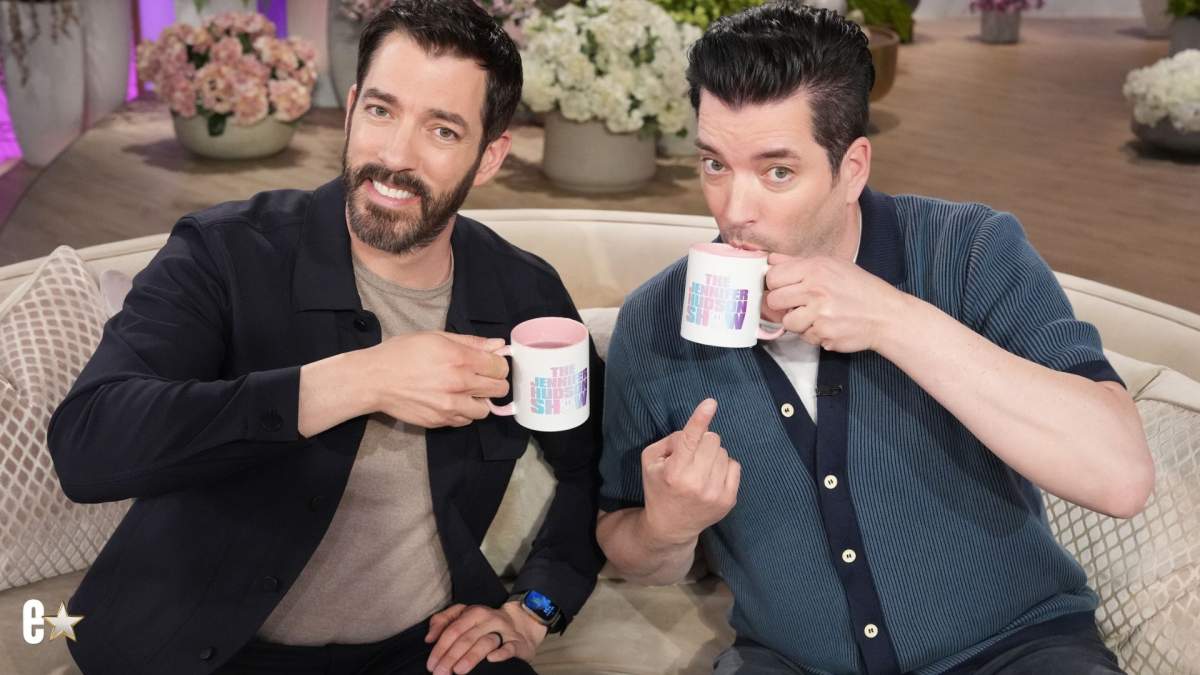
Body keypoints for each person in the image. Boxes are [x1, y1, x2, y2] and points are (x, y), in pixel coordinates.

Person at [595, 3, 1153, 674]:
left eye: (777, 172)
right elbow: (626, 544)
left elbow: (1121, 477)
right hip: (791, 664)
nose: (734, 210)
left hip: (1018, 650)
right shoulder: (656, 320)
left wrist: (892, 318)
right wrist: (667, 527)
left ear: (853, 166)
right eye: (715, 164)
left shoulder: (971, 251)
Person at [47, 2, 604, 674]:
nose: (394, 156)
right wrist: (360, 379)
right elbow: (89, 443)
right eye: (381, 111)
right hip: (204, 649)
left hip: (423, 650)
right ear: (349, 113)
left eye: (442, 129)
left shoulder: (523, 295)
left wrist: (537, 605)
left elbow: (594, 464)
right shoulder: (224, 253)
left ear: (489, 157)